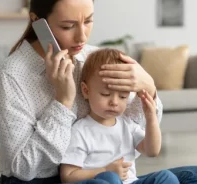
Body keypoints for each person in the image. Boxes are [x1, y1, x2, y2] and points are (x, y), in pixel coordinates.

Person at [0, 0, 197, 183]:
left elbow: (132, 134)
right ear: (37, 22)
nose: (82, 37)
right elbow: (23, 168)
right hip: (43, 179)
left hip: (108, 175)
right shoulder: (13, 74)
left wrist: (149, 87)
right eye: (68, 26)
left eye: (88, 21)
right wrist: (63, 101)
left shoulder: (95, 59)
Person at [60, 49, 179, 184]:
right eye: (105, 94)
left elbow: (152, 151)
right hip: (103, 181)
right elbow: (68, 176)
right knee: (109, 179)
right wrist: (105, 170)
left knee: (166, 177)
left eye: (123, 96)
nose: (114, 102)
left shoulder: (128, 125)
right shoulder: (80, 131)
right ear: (86, 91)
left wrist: (151, 117)